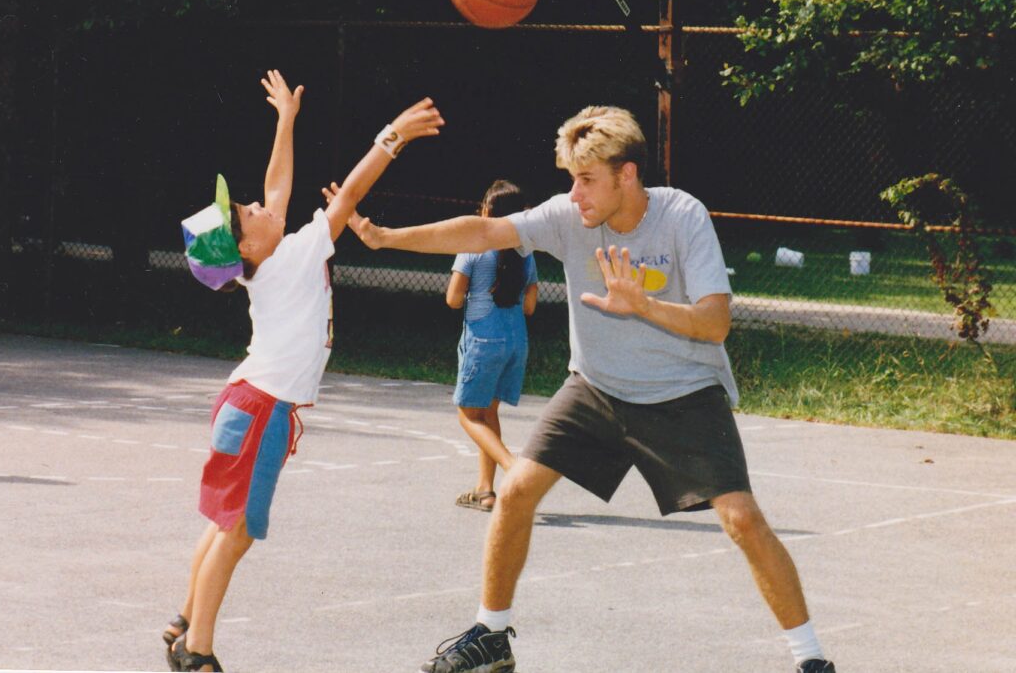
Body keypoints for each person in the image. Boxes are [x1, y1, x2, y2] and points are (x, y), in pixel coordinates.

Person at [349, 105, 836, 673]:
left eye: (586, 179)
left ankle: (811, 660)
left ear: (626, 175)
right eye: (571, 179)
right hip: (597, 388)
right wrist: (386, 237)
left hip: (683, 391)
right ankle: (492, 635)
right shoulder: (568, 216)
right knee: (515, 491)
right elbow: (483, 231)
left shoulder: (682, 216)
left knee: (742, 519)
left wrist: (644, 306)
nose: (574, 193)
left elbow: (715, 323)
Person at [164, 69, 443, 672]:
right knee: (237, 532)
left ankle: (185, 619)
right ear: (245, 246)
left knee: (224, 523)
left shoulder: (267, 261)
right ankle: (197, 650)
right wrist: (393, 135)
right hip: (259, 409)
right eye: (248, 212)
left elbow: (278, 186)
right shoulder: (294, 253)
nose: (260, 205)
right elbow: (349, 195)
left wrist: (286, 121)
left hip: (246, 402)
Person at [448, 180, 538, 513]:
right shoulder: (525, 251)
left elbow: (453, 298)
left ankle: (512, 466)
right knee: (488, 412)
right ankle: (485, 490)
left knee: (467, 416)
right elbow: (530, 305)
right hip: (516, 341)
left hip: (484, 341)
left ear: (487, 211)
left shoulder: (473, 246)